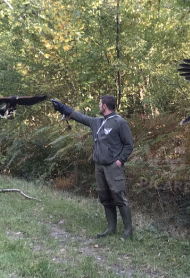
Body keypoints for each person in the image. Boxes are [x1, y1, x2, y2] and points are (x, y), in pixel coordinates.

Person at [51, 95, 134, 238]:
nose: (99, 105)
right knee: (105, 198)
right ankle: (111, 228)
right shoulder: (98, 122)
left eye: (100, 103)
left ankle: (128, 231)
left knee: (119, 196)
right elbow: (79, 117)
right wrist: (61, 107)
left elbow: (129, 145)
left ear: (105, 106)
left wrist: (120, 160)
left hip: (113, 167)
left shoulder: (119, 122)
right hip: (99, 167)